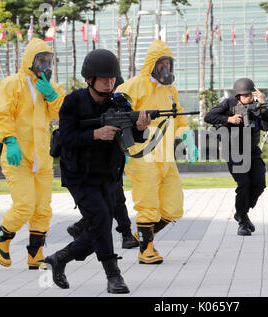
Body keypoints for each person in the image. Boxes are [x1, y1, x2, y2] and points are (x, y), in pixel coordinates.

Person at [44, 49, 150, 294]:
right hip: (79, 175)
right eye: (103, 77)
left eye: (112, 77)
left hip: (109, 174)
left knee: (98, 226)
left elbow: (134, 138)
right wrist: (95, 134)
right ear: (89, 78)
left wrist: (141, 128)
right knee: (102, 220)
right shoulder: (73, 102)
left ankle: (60, 258)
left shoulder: (120, 102)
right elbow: (67, 136)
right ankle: (114, 276)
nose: (109, 82)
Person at [115, 40, 197, 265]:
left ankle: (142, 235)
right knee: (147, 204)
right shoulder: (133, 86)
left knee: (173, 207)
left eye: (168, 63)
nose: (166, 68)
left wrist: (186, 134)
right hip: (142, 156)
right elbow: (117, 114)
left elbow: (179, 117)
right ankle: (146, 249)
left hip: (165, 157)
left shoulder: (170, 90)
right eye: (161, 63)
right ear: (152, 64)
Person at [0, 38, 65, 270]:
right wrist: (10, 140)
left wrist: (52, 95)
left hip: (42, 157)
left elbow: (65, 114)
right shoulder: (12, 84)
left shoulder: (51, 87)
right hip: (18, 156)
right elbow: (4, 115)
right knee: (24, 204)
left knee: (42, 207)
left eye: (48, 60)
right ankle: (3, 239)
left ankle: (36, 254)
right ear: (30, 61)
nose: (46, 65)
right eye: (41, 60)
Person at [66, 75, 139, 249]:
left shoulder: (119, 101)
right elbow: (71, 135)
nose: (109, 85)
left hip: (113, 160)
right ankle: (126, 234)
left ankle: (80, 227)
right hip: (97, 163)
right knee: (115, 199)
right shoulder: (86, 104)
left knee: (110, 200)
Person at [204, 78, 268, 236]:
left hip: (252, 152)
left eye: (251, 94)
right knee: (244, 184)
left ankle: (242, 212)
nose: (249, 97)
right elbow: (209, 117)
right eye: (245, 95)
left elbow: (265, 126)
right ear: (238, 95)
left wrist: (262, 105)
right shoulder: (228, 104)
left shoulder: (257, 106)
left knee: (260, 184)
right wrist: (229, 119)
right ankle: (243, 222)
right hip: (233, 151)